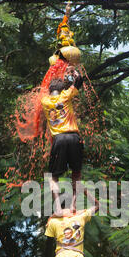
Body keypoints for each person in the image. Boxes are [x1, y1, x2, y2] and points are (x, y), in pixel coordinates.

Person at [41, 68, 84, 214]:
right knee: (76, 174)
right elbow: (79, 81)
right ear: (61, 90)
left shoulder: (45, 101)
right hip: (73, 137)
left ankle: (58, 208)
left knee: (53, 177)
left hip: (58, 140)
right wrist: (73, 72)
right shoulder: (66, 96)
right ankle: (73, 205)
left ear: (50, 91)